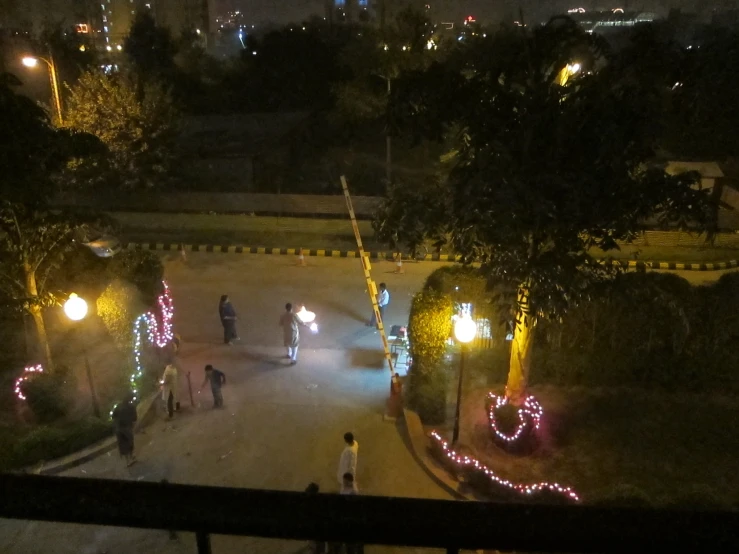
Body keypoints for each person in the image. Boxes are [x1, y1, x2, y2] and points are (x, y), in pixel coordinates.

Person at [112, 392, 138, 467]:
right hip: (126, 427)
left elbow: (113, 416)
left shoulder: (118, 406)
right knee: (129, 442)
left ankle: (127, 461)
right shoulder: (131, 407)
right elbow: (134, 418)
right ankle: (131, 457)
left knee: (123, 444)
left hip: (118, 428)